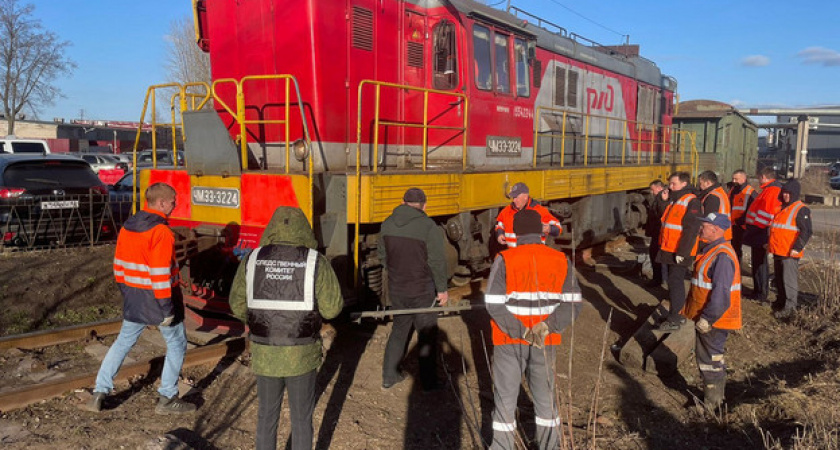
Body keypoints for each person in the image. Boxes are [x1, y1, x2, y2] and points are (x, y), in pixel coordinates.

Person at [229, 206, 343, 450]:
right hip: (301, 354)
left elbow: (236, 304)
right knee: (302, 419)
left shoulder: (252, 259)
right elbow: (333, 308)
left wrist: (259, 323)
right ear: (304, 230)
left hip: (265, 352)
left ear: (272, 228)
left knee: (266, 417)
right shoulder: (315, 262)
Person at [87, 182, 195, 414]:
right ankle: (167, 398)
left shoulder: (127, 228)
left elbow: (118, 267)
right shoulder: (161, 233)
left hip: (134, 296)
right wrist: (166, 309)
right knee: (177, 344)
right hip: (159, 300)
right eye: (173, 201)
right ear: (162, 203)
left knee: (123, 342)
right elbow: (160, 275)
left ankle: (99, 391)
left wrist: (129, 293)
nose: (175, 205)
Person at [485, 209, 582, 449]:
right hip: (545, 341)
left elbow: (493, 304)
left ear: (515, 233)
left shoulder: (505, 259)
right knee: (546, 401)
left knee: (505, 401)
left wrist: (521, 332)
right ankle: (551, 446)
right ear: (540, 231)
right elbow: (573, 303)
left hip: (509, 342)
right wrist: (546, 328)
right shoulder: (560, 259)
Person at [379, 188, 449, 391]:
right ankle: (428, 382)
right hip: (421, 289)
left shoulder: (387, 223)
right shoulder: (428, 226)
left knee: (399, 330)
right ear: (424, 205)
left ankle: (389, 376)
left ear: (403, 202)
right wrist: (442, 289)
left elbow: (382, 255)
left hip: (398, 288)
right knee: (426, 333)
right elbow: (436, 261)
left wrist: (396, 273)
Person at [681, 212, 741, 410]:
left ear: (716, 230)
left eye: (705, 225)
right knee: (713, 359)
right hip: (711, 317)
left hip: (714, 320)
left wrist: (707, 318)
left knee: (710, 361)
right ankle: (716, 399)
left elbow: (721, 293)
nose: (701, 228)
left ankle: (711, 405)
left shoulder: (722, 256)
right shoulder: (713, 250)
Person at [656, 171, 702, 331]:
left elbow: (691, 229)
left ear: (684, 184)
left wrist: (682, 252)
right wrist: (663, 202)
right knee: (672, 281)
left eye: (673, 184)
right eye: (670, 184)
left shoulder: (691, 202)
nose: (670, 187)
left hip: (679, 251)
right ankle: (675, 315)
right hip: (670, 249)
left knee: (676, 282)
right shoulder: (675, 200)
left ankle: (675, 317)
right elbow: (666, 220)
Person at [767, 179, 812, 319]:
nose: (786, 195)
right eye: (784, 192)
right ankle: (780, 302)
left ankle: (790, 308)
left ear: (795, 194)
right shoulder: (783, 208)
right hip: (779, 251)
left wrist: (797, 248)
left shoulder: (800, 209)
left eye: (789, 193)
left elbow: (807, 231)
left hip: (790, 252)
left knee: (789, 281)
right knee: (780, 279)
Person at [743, 168, 783, 302]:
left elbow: (767, 214)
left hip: (761, 232)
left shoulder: (772, 191)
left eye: (759, 177)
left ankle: (761, 293)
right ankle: (758, 291)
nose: (758, 180)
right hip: (758, 231)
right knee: (758, 263)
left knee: (760, 264)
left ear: (764, 177)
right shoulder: (768, 190)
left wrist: (756, 230)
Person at [495, 182, 561, 248]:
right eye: (513, 197)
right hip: (514, 255)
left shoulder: (540, 211)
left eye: (516, 197)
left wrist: (549, 229)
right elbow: (500, 224)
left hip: (533, 254)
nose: (514, 200)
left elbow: (558, 228)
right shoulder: (507, 211)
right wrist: (500, 234)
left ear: (525, 197)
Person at [644, 180, 669, 287]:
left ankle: (658, 279)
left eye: (653, 190)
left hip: (659, 232)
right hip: (657, 231)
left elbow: (660, 215)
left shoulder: (661, 198)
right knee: (655, 255)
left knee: (656, 255)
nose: (651, 192)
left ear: (659, 188)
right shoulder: (659, 198)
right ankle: (659, 279)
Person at [728, 169, 756, 263]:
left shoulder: (750, 192)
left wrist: (741, 220)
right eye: (733, 179)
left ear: (743, 179)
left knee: (737, 249)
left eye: (736, 179)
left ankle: (736, 268)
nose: (734, 181)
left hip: (742, 225)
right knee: (733, 248)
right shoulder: (733, 190)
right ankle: (734, 267)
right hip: (733, 224)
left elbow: (753, 210)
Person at [697, 170, 732, 241]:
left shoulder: (712, 197)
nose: (700, 186)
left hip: (713, 236)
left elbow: (709, 219)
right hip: (722, 233)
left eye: (701, 184)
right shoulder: (720, 192)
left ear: (708, 183)